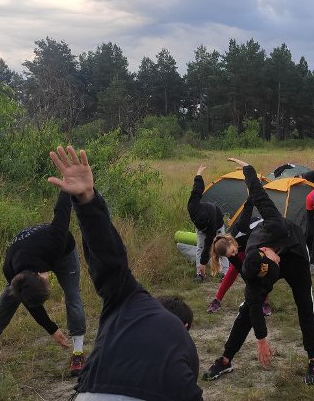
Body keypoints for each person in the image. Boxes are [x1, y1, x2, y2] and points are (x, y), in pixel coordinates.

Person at [48, 145, 202, 401]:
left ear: (154, 302)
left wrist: (87, 200)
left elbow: (109, 259)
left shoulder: (129, 302)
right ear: (185, 326)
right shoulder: (184, 342)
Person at [203, 157, 314, 385]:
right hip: (266, 265)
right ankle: (226, 360)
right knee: (247, 309)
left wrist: (248, 170)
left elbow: (259, 195)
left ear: (267, 251)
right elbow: (254, 305)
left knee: (305, 304)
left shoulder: (274, 224)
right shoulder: (253, 271)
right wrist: (262, 339)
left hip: (296, 253)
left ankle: (313, 361)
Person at [0, 190, 87, 376]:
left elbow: (62, 211)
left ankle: (78, 353)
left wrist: (67, 187)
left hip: (63, 252)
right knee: (6, 300)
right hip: (28, 251)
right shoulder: (11, 270)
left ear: (39, 274)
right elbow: (30, 301)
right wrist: (52, 329)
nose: (49, 283)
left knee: (72, 295)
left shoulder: (55, 239)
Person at [205, 198, 272, 317]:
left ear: (231, 242)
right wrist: (250, 283)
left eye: (232, 252)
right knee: (233, 270)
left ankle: (264, 302)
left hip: (260, 238)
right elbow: (243, 271)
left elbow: (248, 207)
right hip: (244, 247)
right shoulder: (230, 251)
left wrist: (253, 193)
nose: (233, 255)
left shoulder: (243, 227)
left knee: (261, 271)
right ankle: (217, 300)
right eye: (230, 256)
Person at [187, 165, 228, 283]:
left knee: (221, 247)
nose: (202, 230)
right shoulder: (192, 206)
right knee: (199, 247)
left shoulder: (212, 223)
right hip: (206, 222)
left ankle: (225, 273)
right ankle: (199, 274)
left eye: (203, 228)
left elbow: (208, 244)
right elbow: (197, 189)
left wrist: (204, 262)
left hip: (217, 225)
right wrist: (198, 174)